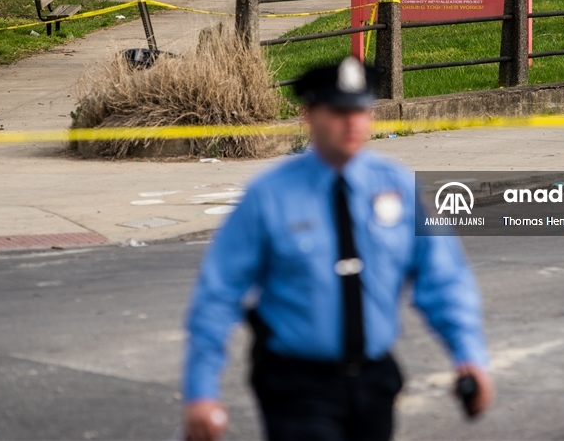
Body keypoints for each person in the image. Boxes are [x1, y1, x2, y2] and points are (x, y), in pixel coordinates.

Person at [182, 57, 493, 441]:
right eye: (339, 111)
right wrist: (201, 389)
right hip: (297, 385)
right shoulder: (270, 196)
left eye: (360, 110)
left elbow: (442, 279)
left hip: (375, 382)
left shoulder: (395, 187)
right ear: (309, 115)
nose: (352, 122)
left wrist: (469, 356)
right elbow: (218, 292)